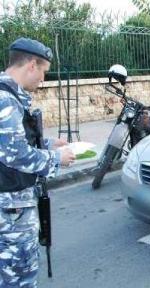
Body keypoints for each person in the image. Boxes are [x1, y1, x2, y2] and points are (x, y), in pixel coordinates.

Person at [0, 38, 75, 287]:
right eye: (43, 71)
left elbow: (10, 142)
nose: (43, 79)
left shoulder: (9, 96)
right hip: (11, 211)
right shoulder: (6, 100)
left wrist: (46, 143)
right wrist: (56, 158)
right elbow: (16, 155)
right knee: (18, 277)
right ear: (32, 65)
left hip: (11, 205)